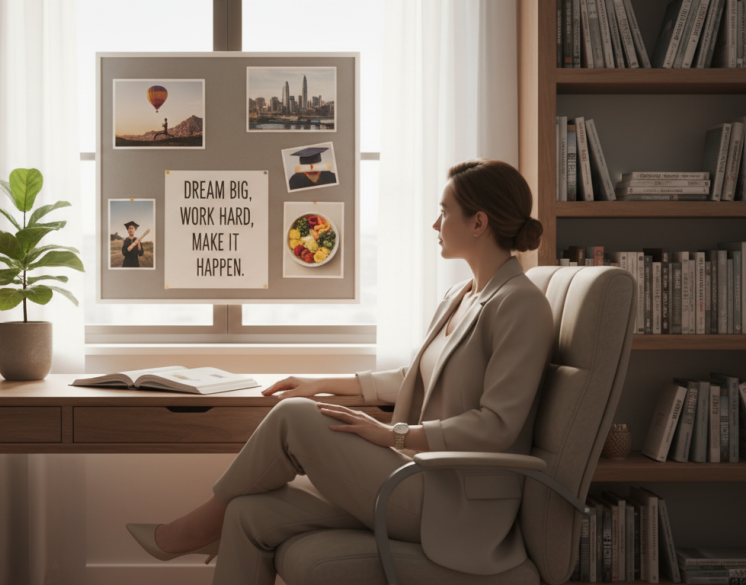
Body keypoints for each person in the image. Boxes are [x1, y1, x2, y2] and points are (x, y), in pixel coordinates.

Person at [127, 159, 553, 584]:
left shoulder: (520, 304)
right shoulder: (459, 296)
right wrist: (322, 383)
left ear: (479, 222)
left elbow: (498, 425)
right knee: (247, 513)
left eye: (444, 211)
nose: (434, 224)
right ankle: (210, 521)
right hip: (420, 477)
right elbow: (417, 376)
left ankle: (193, 530)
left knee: (294, 414)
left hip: (458, 502)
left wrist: (395, 435)